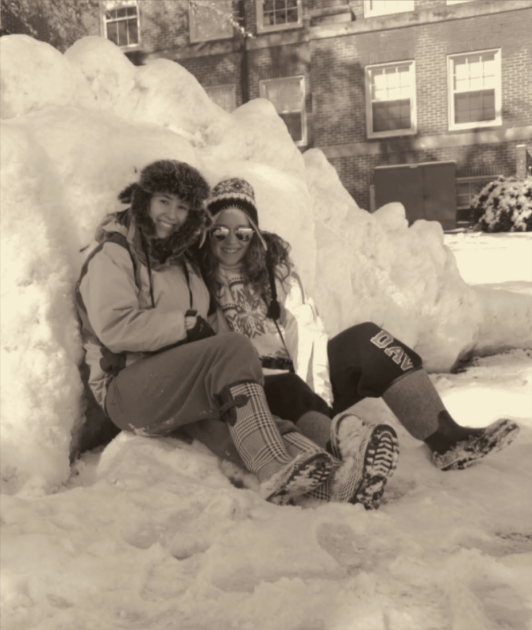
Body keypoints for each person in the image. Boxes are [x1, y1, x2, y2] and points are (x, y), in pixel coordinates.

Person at [75, 159, 387, 507]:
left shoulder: (186, 266)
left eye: (182, 207)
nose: (172, 214)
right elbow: (115, 327)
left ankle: (340, 484)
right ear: (143, 199)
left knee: (252, 417)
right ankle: (275, 466)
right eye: (164, 201)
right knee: (233, 351)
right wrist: (185, 325)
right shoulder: (113, 254)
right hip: (126, 388)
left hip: (178, 384)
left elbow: (213, 332)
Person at [200, 177, 519, 478]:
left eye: (242, 232)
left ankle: (447, 439)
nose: (231, 241)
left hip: (303, 381)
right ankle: (341, 468)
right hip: (255, 394)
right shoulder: (198, 276)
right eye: (220, 232)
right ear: (206, 233)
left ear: (254, 232)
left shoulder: (274, 269)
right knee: (287, 384)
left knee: (369, 339)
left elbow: (307, 328)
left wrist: (317, 380)